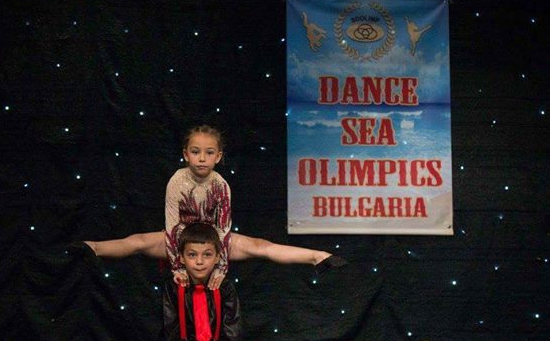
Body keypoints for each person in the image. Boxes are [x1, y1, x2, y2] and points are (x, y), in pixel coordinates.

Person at [19, 223, 383, 341]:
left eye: (206, 256)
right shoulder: (174, 283)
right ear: (181, 257)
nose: (199, 262)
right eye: (192, 256)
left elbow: (232, 331)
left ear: (217, 256)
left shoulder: (224, 283)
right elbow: (170, 330)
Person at [72, 124, 347, 290]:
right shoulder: (177, 180)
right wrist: (178, 265)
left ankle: (317, 256)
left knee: (260, 245)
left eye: (209, 153)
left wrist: (220, 267)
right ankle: (94, 247)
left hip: (214, 239)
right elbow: (172, 225)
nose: (201, 158)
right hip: (181, 238)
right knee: (140, 241)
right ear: (185, 154)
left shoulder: (221, 185)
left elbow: (224, 229)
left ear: (218, 156)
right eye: (195, 152)